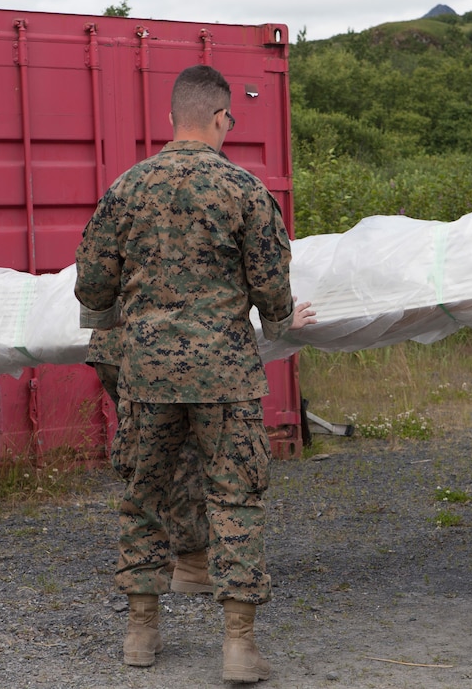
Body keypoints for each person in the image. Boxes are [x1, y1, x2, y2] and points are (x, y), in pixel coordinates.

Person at [75, 64, 314, 683]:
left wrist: (120, 321)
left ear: (170, 118)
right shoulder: (244, 190)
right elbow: (272, 291)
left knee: (142, 498)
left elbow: (93, 283)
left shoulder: (126, 188)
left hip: (146, 374)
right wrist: (284, 318)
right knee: (236, 498)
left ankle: (141, 636)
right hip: (226, 377)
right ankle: (238, 646)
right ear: (219, 118)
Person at [85, 324, 212, 594]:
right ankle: (193, 563)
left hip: (112, 345)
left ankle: (150, 555)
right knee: (181, 447)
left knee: (143, 448)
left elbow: (93, 290)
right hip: (163, 347)